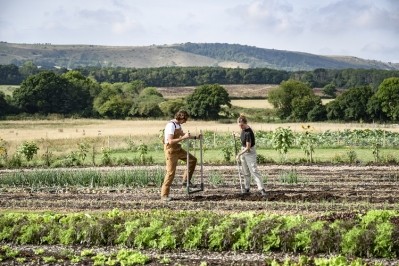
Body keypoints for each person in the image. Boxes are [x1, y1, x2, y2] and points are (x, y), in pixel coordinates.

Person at [161, 110, 200, 201]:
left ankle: (186, 181)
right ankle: (164, 195)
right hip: (170, 150)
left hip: (178, 149)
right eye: (185, 119)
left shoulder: (178, 125)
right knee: (170, 172)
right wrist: (183, 138)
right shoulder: (171, 125)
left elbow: (183, 135)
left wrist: (196, 137)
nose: (185, 121)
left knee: (192, 160)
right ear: (181, 118)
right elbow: (170, 141)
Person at [235, 115, 267, 197]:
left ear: (245, 123)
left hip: (249, 152)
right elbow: (243, 137)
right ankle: (247, 188)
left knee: (253, 170)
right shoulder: (243, 130)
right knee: (245, 171)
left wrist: (239, 154)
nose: (240, 127)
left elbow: (248, 148)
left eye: (241, 125)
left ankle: (261, 189)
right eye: (239, 125)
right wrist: (237, 135)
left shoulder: (248, 132)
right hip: (243, 151)